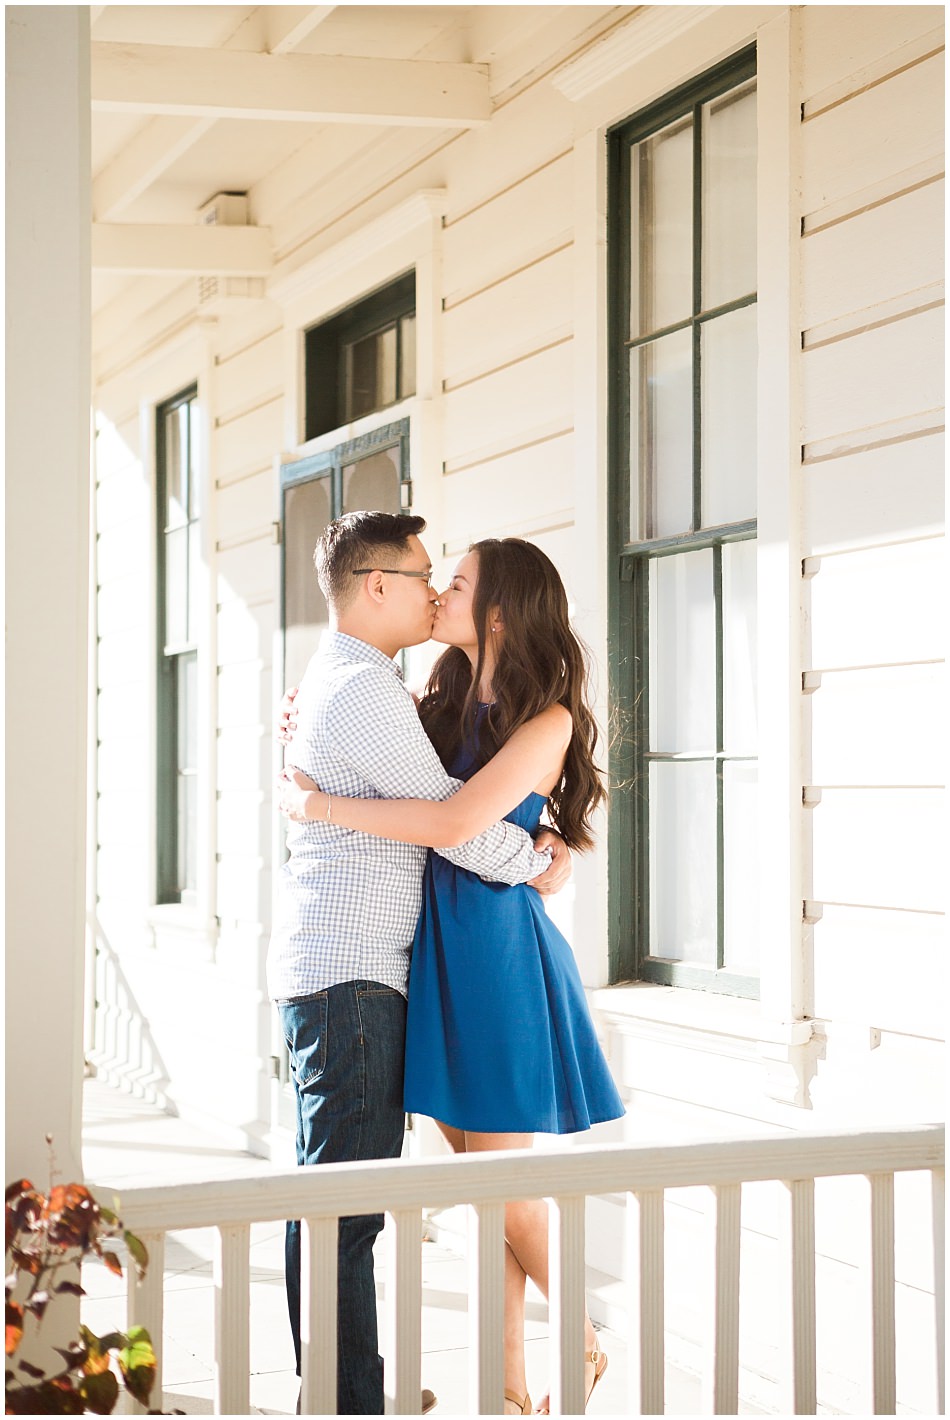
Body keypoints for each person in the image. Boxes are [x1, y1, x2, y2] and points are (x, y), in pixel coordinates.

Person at [278, 536, 625, 1416]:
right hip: (426, 950)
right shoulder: (431, 700)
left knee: (495, 1187)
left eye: (456, 584)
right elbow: (372, 751)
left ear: (500, 612)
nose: (438, 594)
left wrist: (313, 803)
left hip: (496, 952)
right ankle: (508, 1393)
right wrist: (304, 723)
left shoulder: (548, 720)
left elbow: (451, 823)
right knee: (479, 1193)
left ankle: (584, 1335)